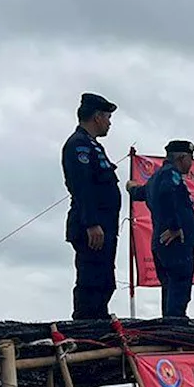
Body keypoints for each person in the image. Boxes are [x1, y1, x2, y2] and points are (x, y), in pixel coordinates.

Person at [62, 93, 124, 320]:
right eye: (108, 117)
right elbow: (82, 186)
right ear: (97, 117)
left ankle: (98, 321)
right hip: (92, 228)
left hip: (104, 226)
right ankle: (86, 326)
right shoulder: (79, 145)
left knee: (105, 281)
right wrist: (91, 223)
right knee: (91, 281)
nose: (109, 122)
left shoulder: (92, 145)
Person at [142, 140, 194, 318]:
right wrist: (175, 226)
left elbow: (141, 193)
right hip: (175, 243)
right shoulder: (171, 175)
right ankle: (176, 328)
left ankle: (171, 324)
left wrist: (131, 187)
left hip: (162, 243)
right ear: (182, 157)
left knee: (170, 288)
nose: (192, 164)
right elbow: (166, 194)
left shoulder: (157, 177)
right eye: (191, 159)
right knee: (179, 289)